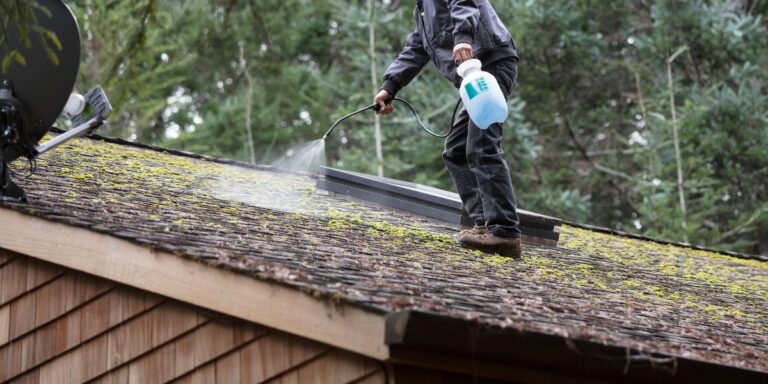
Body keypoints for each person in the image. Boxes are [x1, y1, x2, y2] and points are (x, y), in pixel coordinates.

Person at [374, 0, 522, 258]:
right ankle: (484, 224)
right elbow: (417, 46)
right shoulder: (423, 11)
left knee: (482, 146)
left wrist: (464, 38)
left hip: (490, 62)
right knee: (455, 150)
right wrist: (391, 85)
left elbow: (464, 3)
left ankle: (505, 232)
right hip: (475, 76)